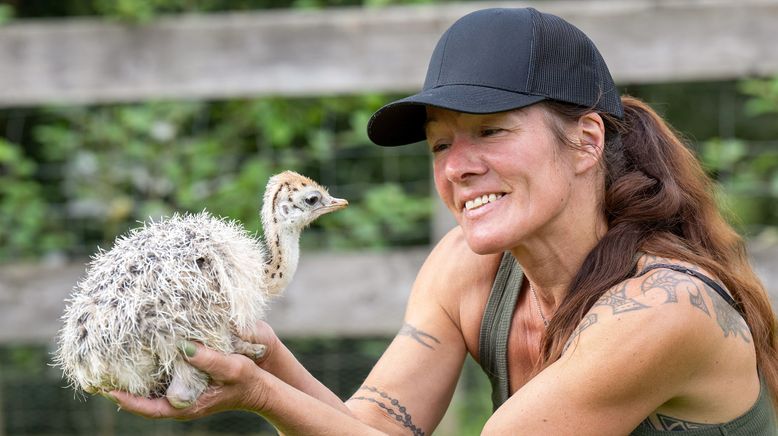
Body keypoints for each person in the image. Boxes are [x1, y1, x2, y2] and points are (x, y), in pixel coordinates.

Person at [111, 7, 778, 434]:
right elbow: (369, 428)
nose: (458, 166)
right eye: (440, 143)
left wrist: (262, 392)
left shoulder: (664, 307)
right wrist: (263, 353)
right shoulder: (469, 267)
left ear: (586, 141)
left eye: (490, 132)